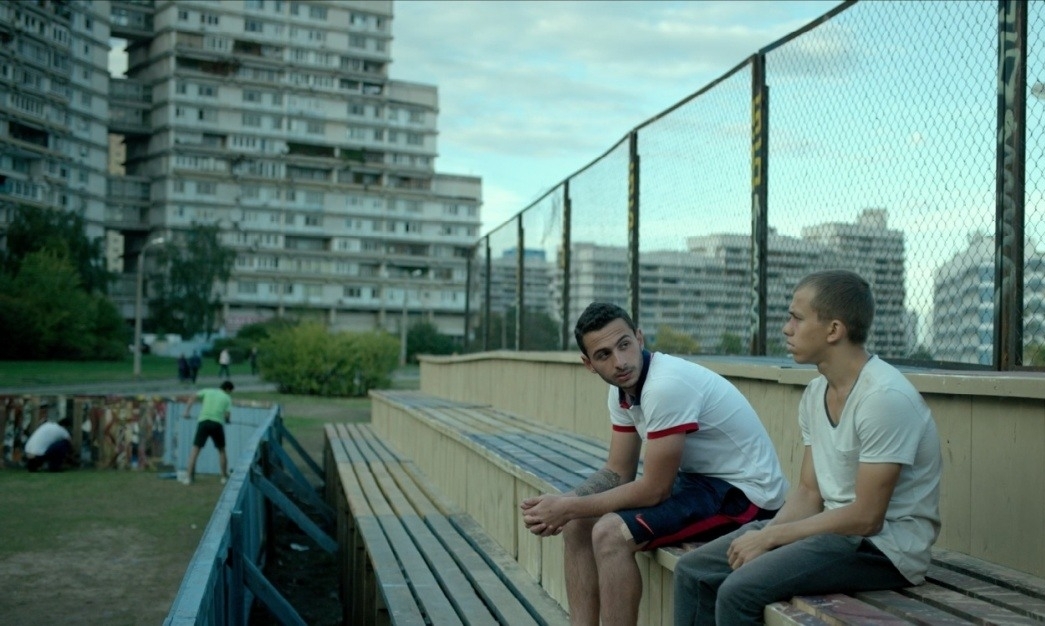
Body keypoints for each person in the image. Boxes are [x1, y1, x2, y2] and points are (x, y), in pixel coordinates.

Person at [673, 270, 943, 625]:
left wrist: (773, 537)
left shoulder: (884, 398)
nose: (787, 329)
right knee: (693, 571)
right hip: (832, 532)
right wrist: (765, 535)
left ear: (833, 330)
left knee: (738, 590)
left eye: (796, 318)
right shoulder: (816, 393)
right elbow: (808, 493)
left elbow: (866, 517)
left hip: (883, 549)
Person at [520, 302, 788, 626]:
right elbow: (618, 471)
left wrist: (568, 507)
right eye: (604, 355)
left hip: (746, 495)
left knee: (609, 533)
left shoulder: (665, 385)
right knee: (579, 524)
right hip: (698, 482)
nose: (620, 362)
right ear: (588, 364)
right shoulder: (622, 389)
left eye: (624, 345)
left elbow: (655, 490)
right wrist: (564, 504)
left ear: (639, 338)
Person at [180, 380, 234, 485]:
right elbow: (227, 415)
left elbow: (193, 397)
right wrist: (227, 421)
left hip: (203, 422)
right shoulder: (227, 398)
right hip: (217, 424)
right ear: (228, 389)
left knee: (195, 450)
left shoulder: (207, 391)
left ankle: (188, 478)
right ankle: (224, 477)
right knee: (221, 450)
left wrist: (186, 412)